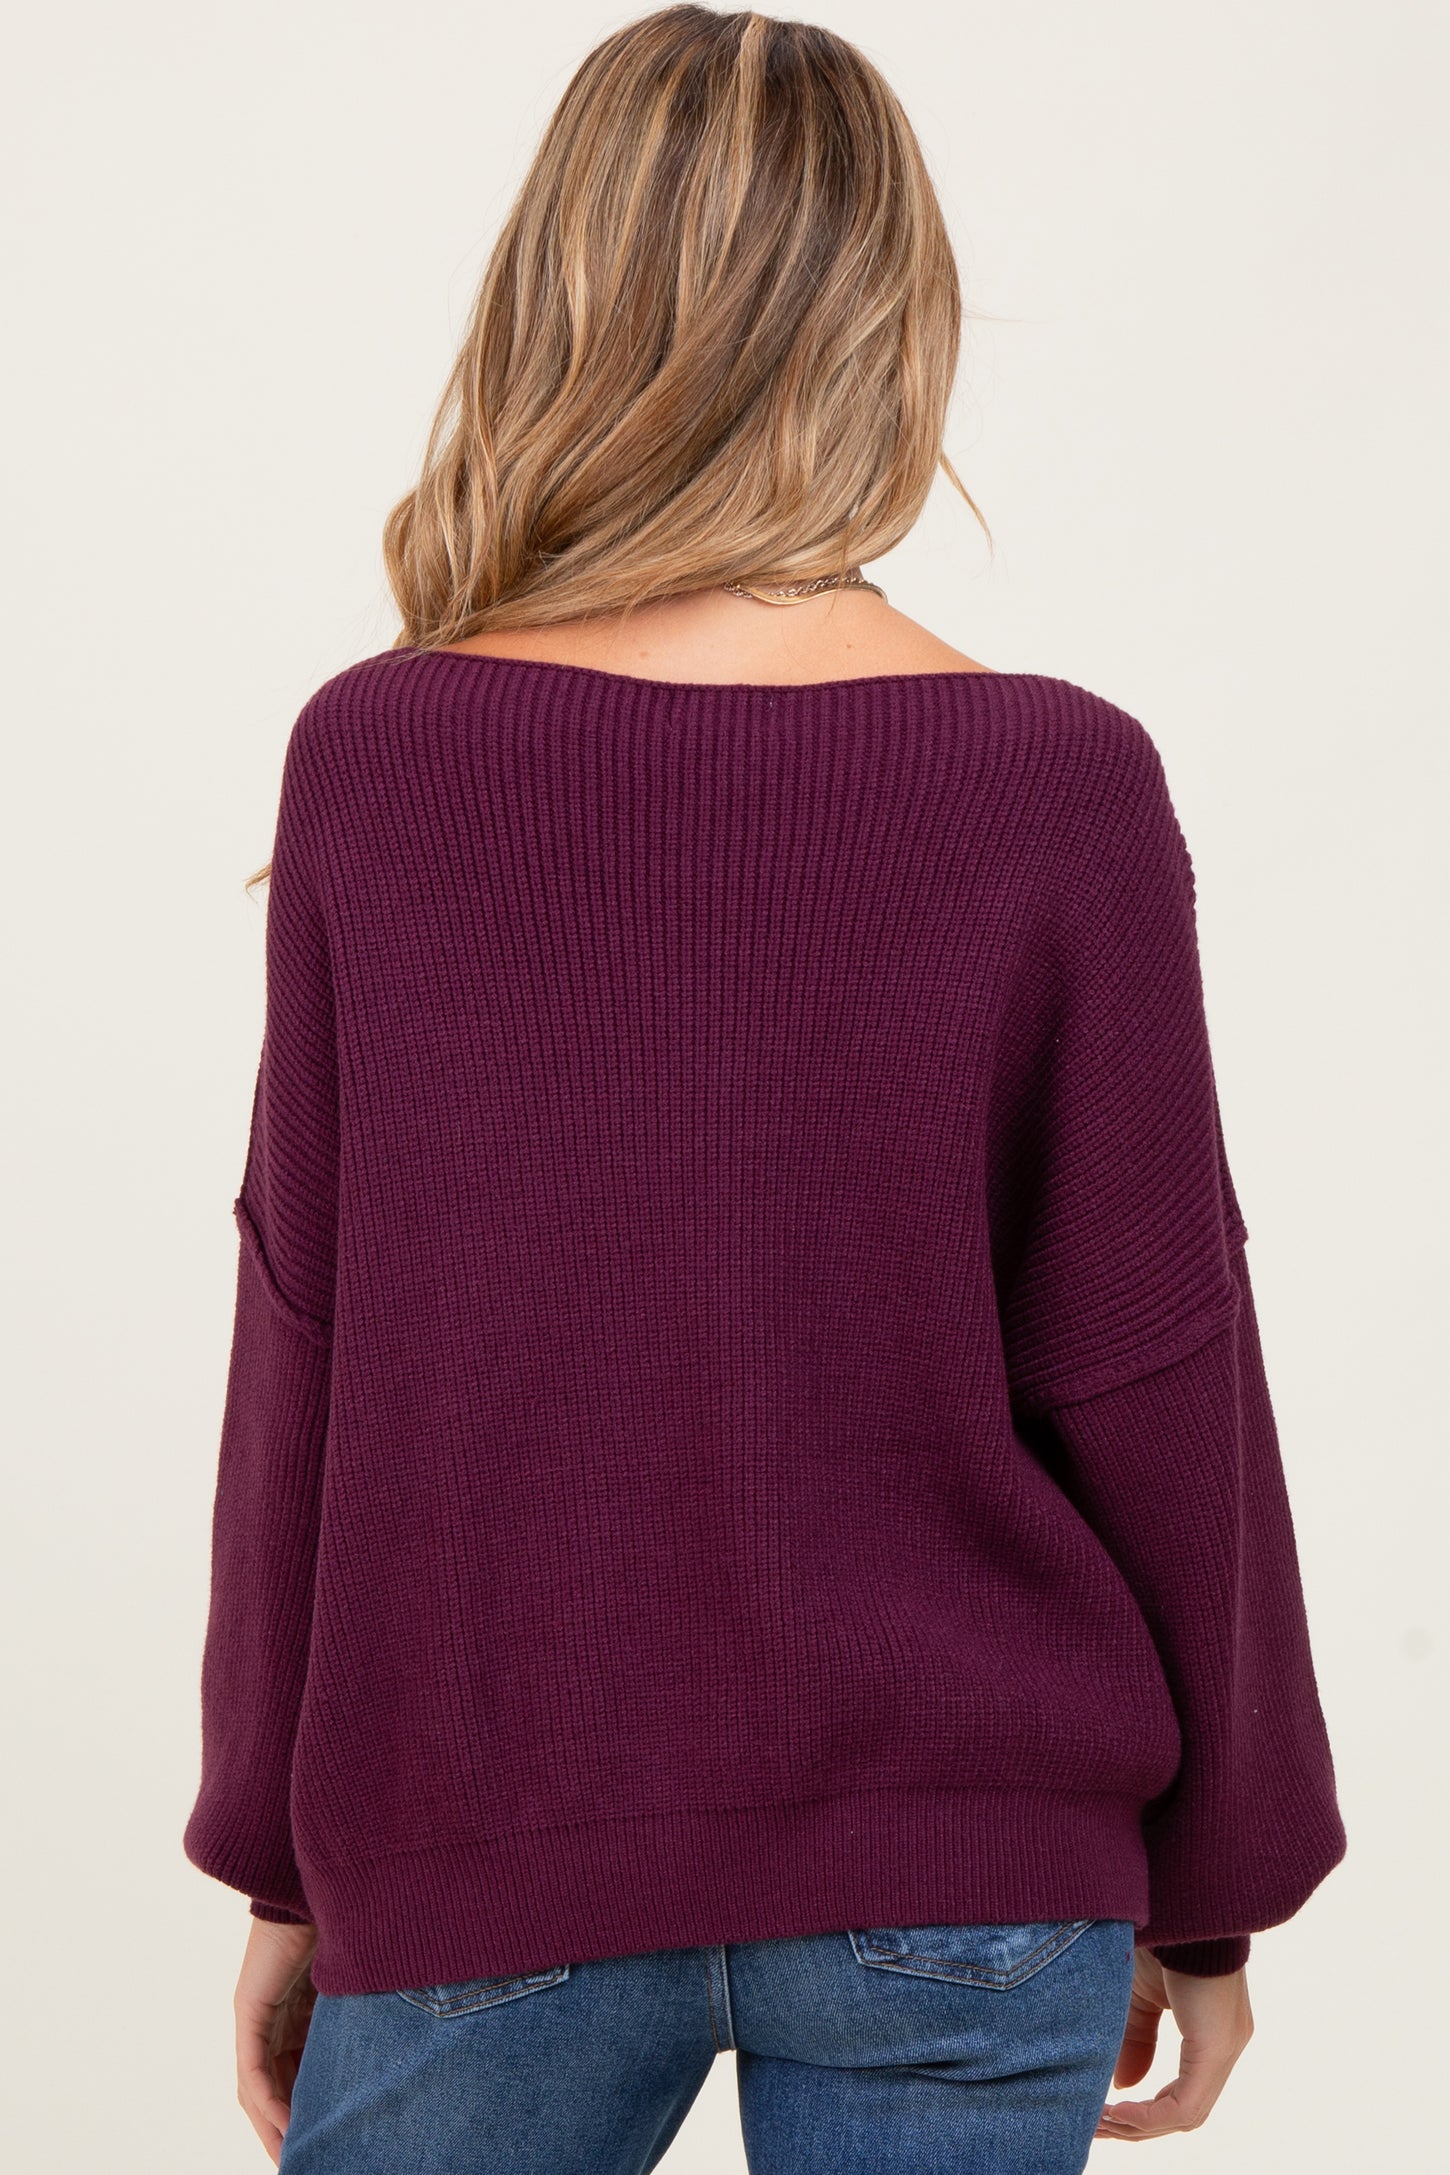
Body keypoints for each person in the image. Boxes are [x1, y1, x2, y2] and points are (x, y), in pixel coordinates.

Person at [181, 8, 1347, 2170]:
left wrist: (274, 1846)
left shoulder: (383, 754)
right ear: (888, 325)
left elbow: (310, 1336)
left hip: (483, 1834)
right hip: (970, 1862)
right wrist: (1216, 1879)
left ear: (555, 302)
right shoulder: (1053, 778)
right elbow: (1155, 1361)